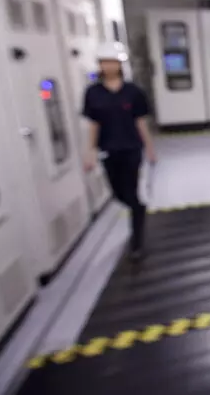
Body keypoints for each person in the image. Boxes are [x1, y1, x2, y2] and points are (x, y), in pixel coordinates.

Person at [82, 42, 156, 260]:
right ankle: (139, 209)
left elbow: (141, 122)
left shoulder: (133, 92)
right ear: (100, 65)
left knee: (131, 191)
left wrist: (150, 149)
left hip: (131, 148)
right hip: (109, 149)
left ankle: (137, 243)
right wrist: (91, 151)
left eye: (113, 62)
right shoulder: (93, 93)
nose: (109, 66)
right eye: (105, 62)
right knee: (118, 193)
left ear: (120, 65)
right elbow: (94, 124)